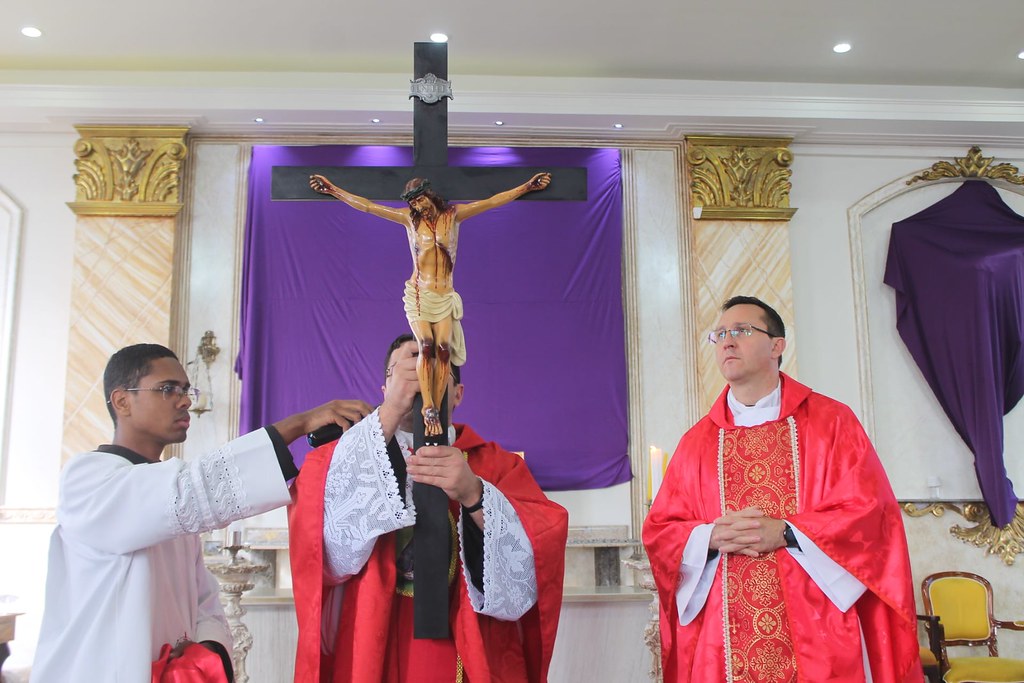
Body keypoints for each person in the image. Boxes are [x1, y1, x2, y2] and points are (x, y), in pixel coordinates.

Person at [32, 343, 372, 682]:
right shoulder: (87, 478)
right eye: (168, 389)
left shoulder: (168, 499)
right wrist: (300, 424)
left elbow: (205, 603)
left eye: (185, 389)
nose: (185, 401)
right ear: (122, 401)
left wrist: (202, 655)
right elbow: (187, 492)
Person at [642, 297, 922, 683]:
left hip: (816, 623)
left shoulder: (831, 423)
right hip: (723, 633)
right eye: (719, 334)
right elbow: (661, 530)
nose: (727, 341)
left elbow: (871, 513)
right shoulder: (697, 443)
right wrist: (708, 536)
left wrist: (787, 531)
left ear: (777, 345)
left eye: (740, 331)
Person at [288, 333, 569, 682]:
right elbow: (324, 555)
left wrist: (474, 494)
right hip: (371, 642)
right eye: (402, 371)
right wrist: (389, 414)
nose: (419, 380)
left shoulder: (498, 466)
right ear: (385, 388)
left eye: (435, 373)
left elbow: (535, 560)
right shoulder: (342, 460)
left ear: (459, 394)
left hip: (465, 643)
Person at [309, 172, 551, 436]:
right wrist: (334, 190)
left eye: (421, 200)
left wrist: (526, 186)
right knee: (426, 346)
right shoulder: (409, 221)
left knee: (444, 349)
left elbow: (492, 202)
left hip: (444, 294)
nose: (418, 207)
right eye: (413, 203)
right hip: (419, 294)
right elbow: (368, 206)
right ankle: (429, 407)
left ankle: (436, 401)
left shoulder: (453, 216)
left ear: (430, 196)